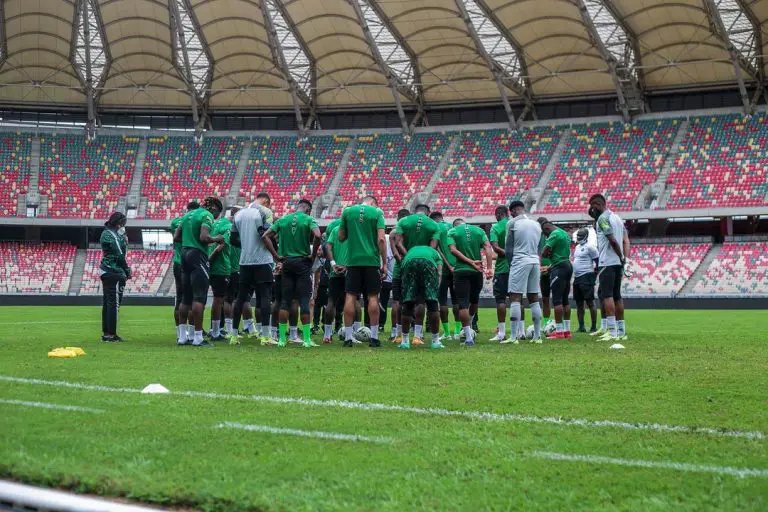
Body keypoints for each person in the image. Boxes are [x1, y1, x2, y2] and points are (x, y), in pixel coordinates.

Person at [264, 199, 322, 348]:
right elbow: (318, 235)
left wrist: (276, 256)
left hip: (286, 262)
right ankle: (306, 340)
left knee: (285, 301)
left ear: (297, 208)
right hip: (302, 262)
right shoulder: (308, 219)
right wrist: (313, 255)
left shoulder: (283, 220)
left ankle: (282, 340)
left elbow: (265, 236)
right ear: (308, 210)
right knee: (304, 300)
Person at [174, 196, 224, 347]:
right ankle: (198, 338)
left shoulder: (187, 215)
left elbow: (176, 237)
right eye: (217, 214)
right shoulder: (206, 215)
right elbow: (204, 237)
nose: (216, 217)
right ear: (214, 208)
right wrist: (217, 238)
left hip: (184, 254)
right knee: (199, 297)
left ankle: (182, 337)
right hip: (197, 255)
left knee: (185, 299)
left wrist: (189, 241)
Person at [337, 195, 386, 347]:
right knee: (373, 297)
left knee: (350, 296)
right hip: (371, 261)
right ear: (373, 203)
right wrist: (384, 263)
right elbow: (381, 239)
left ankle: (348, 338)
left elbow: (341, 237)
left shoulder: (347, 212)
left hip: (353, 262)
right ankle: (374, 338)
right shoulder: (377, 213)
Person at [390, 204, 440, 345]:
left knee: (402, 301)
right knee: (423, 301)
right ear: (428, 213)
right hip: (426, 264)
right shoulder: (433, 225)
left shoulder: (404, 221)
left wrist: (409, 256)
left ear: (413, 212)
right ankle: (419, 335)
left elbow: (397, 242)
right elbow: (433, 248)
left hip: (404, 264)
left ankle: (400, 336)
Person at [230, 192, 276, 344]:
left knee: (240, 298)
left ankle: (234, 335)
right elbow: (266, 235)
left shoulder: (239, 214)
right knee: (265, 297)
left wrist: (246, 245)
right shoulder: (265, 211)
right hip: (262, 260)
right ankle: (266, 336)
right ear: (266, 201)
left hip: (245, 261)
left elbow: (232, 239)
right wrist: (276, 254)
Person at [588, 194, 631, 341]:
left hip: (607, 262)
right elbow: (626, 240)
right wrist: (625, 260)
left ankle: (612, 332)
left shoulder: (603, 219)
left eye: (592, 206)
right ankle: (621, 332)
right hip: (618, 264)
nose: (592, 209)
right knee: (617, 296)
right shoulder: (617, 218)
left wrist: (621, 256)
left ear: (597, 204)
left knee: (607, 296)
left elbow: (612, 240)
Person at [447, 219, 493, 345]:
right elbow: (488, 247)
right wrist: (489, 268)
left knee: (463, 304)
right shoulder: (479, 230)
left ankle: (468, 337)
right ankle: (470, 325)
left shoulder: (452, 231)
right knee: (474, 301)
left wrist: (470, 261)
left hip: (461, 270)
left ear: (455, 225)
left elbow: (453, 250)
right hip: (477, 271)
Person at [504, 201, 543, 344]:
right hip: (534, 261)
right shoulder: (536, 224)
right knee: (534, 298)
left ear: (513, 211)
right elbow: (540, 247)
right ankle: (537, 336)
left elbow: (508, 248)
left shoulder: (512, 223)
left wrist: (511, 264)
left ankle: (514, 337)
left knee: (515, 297)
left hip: (520, 260)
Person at [398, 245, 444, 350]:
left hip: (409, 263)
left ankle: (405, 342)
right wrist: (435, 291)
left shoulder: (411, 250)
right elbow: (439, 273)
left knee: (408, 303)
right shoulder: (437, 254)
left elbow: (402, 268)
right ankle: (435, 341)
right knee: (432, 303)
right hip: (428, 263)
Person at [539, 218, 573, 339]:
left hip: (559, 269)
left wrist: (548, 253)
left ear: (547, 228)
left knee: (557, 300)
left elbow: (544, 252)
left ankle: (558, 332)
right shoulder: (564, 233)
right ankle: (567, 331)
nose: (546, 236)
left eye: (545, 234)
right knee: (565, 300)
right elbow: (561, 254)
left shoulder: (554, 234)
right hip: (567, 265)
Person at [100, 211, 131, 342]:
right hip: (115, 271)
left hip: (107, 270)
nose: (124, 226)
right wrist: (127, 270)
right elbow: (119, 254)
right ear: (119, 223)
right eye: (123, 223)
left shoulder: (108, 233)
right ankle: (111, 334)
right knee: (114, 304)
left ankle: (107, 333)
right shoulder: (111, 234)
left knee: (108, 303)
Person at [171, 201, 198, 343]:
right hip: (192, 261)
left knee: (180, 298)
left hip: (178, 261)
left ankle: (180, 333)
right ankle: (192, 334)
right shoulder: (196, 220)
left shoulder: (176, 221)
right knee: (194, 298)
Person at [431, 212, 461, 340]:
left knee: (442, 301)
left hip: (443, 269)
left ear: (433, 220)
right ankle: (457, 332)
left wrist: (447, 265)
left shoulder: (435, 228)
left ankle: (447, 333)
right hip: (457, 267)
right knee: (457, 300)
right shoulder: (453, 226)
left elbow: (436, 248)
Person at [207, 211, 232, 341]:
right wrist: (209, 260)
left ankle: (213, 329)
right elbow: (222, 245)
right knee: (218, 299)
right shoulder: (228, 226)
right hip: (220, 267)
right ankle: (216, 332)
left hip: (211, 267)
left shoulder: (215, 224)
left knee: (216, 299)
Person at [389, 208, 411, 343]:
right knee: (413, 301)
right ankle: (417, 333)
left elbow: (396, 255)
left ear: (398, 219)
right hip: (411, 268)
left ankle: (395, 332)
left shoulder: (394, 232)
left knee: (396, 301)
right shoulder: (411, 230)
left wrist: (402, 261)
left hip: (399, 269)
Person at [489, 206, 510, 341]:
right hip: (516, 266)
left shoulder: (495, 227)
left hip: (502, 268)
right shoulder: (515, 224)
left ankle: (501, 333)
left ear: (498, 214)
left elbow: (495, 247)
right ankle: (519, 331)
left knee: (501, 300)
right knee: (517, 299)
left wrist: (508, 254)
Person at [324, 218, 347, 344]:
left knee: (331, 301)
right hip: (351, 270)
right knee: (353, 300)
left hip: (335, 270)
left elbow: (328, 246)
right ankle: (352, 333)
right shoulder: (354, 230)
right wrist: (346, 266)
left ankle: (327, 335)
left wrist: (333, 264)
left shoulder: (334, 229)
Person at [572, 227, 599, 333]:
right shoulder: (577, 247)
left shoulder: (590, 247)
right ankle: (581, 326)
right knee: (579, 303)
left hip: (587, 276)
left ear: (586, 236)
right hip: (577, 277)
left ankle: (593, 326)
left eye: (581, 236)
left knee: (590, 302)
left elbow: (598, 261)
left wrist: (594, 274)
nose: (579, 237)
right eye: (578, 235)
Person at [223, 206, 244, 337]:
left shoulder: (225, 225)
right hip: (233, 268)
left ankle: (221, 328)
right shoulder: (233, 227)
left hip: (228, 267)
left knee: (226, 299)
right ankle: (230, 329)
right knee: (230, 299)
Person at [536, 217, 553, 333]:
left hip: (554, 268)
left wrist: (550, 266)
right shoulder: (537, 236)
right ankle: (546, 323)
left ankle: (560, 325)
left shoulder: (554, 235)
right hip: (543, 270)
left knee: (557, 298)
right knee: (545, 298)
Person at [311, 244, 329, 334]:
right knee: (317, 305)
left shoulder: (329, 260)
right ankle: (315, 325)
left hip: (327, 285)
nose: (318, 252)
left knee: (327, 305)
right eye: (317, 250)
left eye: (320, 250)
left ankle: (325, 324)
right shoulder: (315, 259)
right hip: (319, 285)